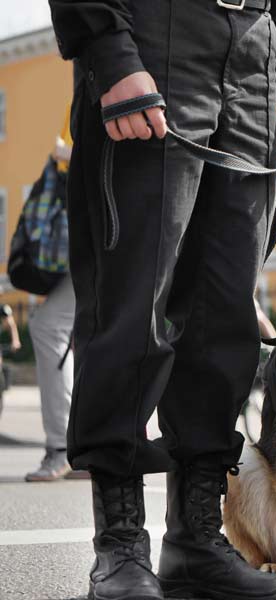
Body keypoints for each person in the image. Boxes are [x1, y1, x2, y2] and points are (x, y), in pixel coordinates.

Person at [48, 1, 276, 599]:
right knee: (132, 309)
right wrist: (111, 53)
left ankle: (195, 539)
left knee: (223, 318)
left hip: (253, 61)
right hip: (155, 40)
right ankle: (121, 544)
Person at [25, 123, 84, 483]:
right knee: (94, 335)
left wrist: (67, 155)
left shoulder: (100, 90)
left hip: (105, 230)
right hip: (97, 230)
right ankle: (86, 450)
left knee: (48, 326)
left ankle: (65, 447)